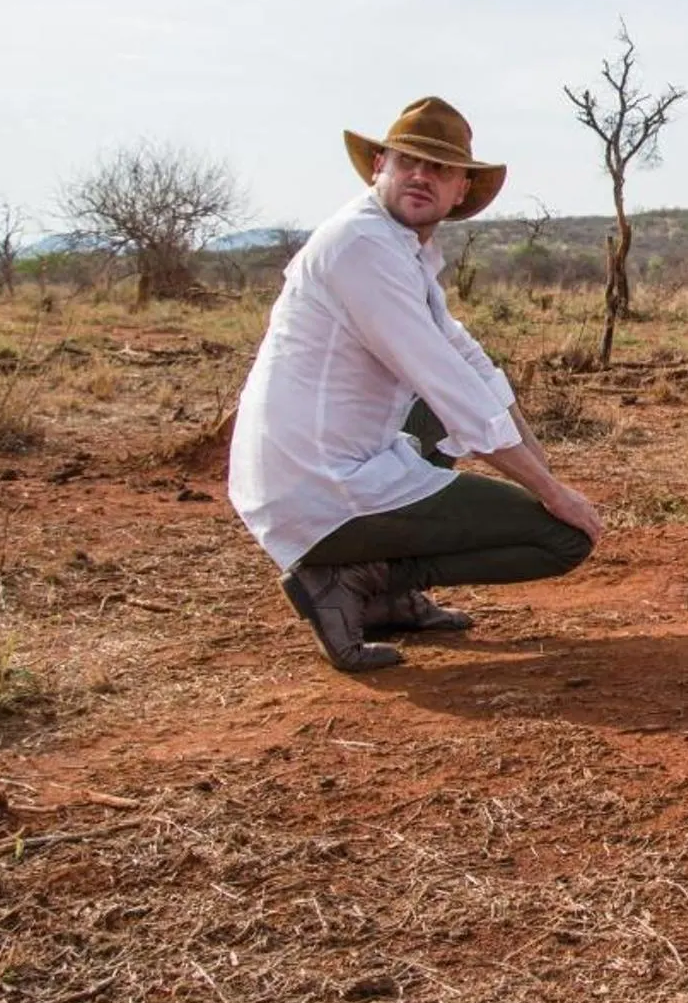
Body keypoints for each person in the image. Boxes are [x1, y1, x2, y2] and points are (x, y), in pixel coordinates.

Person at [228, 97, 604, 672]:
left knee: (450, 404)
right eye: (409, 162)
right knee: (561, 537)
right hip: (317, 486)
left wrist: (540, 461)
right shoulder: (363, 246)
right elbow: (450, 387)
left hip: (326, 461)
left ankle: (384, 595)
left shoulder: (404, 249)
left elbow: (468, 361)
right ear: (380, 165)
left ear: (461, 191)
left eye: (441, 168)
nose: (422, 176)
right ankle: (354, 579)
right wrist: (553, 495)